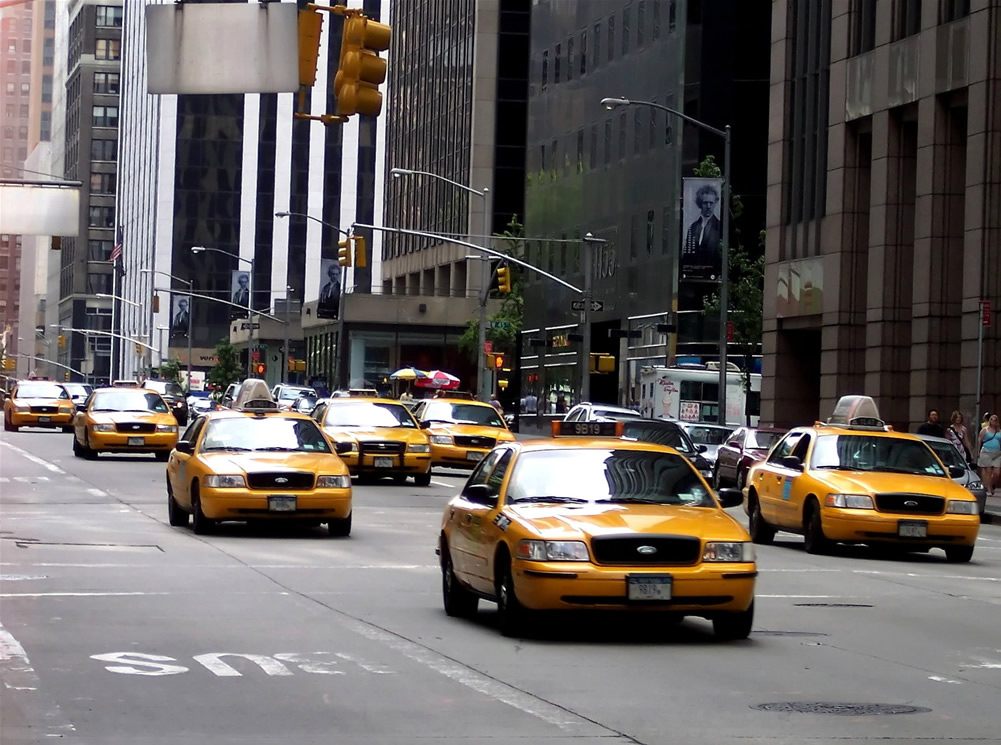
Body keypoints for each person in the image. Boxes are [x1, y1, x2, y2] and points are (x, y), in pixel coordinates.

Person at [684, 183, 721, 274]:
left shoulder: (719, 227)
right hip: (693, 276)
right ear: (700, 204)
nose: (708, 206)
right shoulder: (693, 227)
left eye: (711, 203)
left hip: (713, 275)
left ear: (715, 203)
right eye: (705, 203)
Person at [977, 414, 1000, 497]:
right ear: (989, 421)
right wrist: (978, 451)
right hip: (986, 451)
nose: (993, 421)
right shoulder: (985, 430)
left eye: (995, 420)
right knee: (988, 471)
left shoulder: (999, 431)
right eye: (991, 420)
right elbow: (980, 440)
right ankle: (989, 489)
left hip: (997, 453)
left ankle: (989, 484)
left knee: (997, 472)